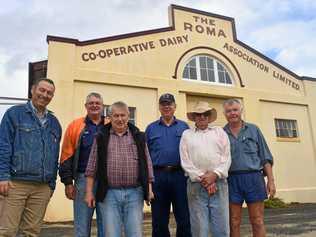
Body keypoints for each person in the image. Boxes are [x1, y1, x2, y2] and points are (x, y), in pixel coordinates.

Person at [0, 78, 62, 236]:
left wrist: (51, 185)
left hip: (42, 187)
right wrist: (3, 177)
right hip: (15, 184)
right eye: (42, 90)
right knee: (7, 231)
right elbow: (3, 146)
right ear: (33, 90)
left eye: (49, 93)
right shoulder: (14, 114)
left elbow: (55, 155)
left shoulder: (54, 123)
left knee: (32, 232)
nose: (45, 95)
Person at [84, 101, 154, 237]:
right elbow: (91, 167)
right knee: (111, 234)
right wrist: (89, 192)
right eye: (116, 116)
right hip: (109, 194)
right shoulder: (101, 137)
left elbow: (147, 164)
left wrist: (149, 189)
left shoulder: (139, 136)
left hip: (135, 193)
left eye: (123, 115)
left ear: (128, 116)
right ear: (109, 117)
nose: (120, 119)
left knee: (135, 233)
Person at [223, 98, 276, 237]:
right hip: (231, 180)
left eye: (235, 110)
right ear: (225, 114)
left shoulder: (254, 129)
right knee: (233, 221)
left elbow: (265, 157)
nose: (232, 113)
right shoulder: (221, 134)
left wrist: (271, 181)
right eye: (229, 111)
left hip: (254, 178)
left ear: (241, 111)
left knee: (257, 220)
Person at [180, 101, 231, 237]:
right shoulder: (186, 135)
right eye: (198, 114)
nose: (202, 117)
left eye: (205, 114)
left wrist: (214, 175)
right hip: (196, 185)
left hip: (219, 184)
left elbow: (226, 157)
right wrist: (204, 179)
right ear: (195, 117)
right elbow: (185, 161)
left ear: (209, 117)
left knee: (221, 228)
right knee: (199, 229)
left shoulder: (219, 132)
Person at [145, 93, 191, 237]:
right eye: (163, 104)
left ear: (174, 107)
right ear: (159, 107)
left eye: (169, 104)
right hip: (158, 176)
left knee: (184, 218)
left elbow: (191, 151)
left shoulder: (184, 127)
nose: (166, 107)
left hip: (180, 176)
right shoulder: (151, 128)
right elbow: (145, 156)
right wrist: (148, 184)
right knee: (159, 220)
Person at [59, 92, 105, 237]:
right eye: (91, 103)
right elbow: (66, 155)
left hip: (107, 181)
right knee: (81, 226)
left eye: (97, 103)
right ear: (86, 106)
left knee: (107, 225)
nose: (94, 105)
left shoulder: (111, 124)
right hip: (83, 180)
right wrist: (68, 182)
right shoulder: (75, 126)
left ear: (102, 106)